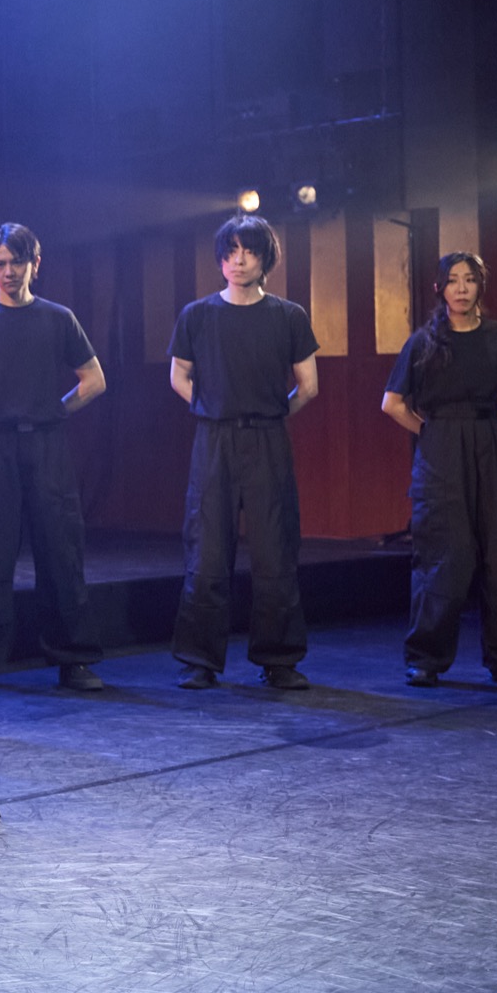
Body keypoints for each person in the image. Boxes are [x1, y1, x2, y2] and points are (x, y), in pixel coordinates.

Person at [169, 214, 319, 690]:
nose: (239, 260)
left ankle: (279, 659)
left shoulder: (288, 315)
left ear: (265, 259)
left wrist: (271, 414)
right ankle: (200, 659)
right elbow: (178, 376)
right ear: (220, 259)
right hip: (213, 440)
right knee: (207, 552)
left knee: (275, 551)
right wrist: (211, 408)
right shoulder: (197, 315)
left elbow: (308, 386)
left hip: (268, 439)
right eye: (231, 251)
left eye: (249, 251)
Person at [382, 253, 497, 687]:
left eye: (469, 280)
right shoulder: (424, 342)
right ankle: (426, 658)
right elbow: (392, 403)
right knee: (444, 556)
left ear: (479, 286)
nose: (461, 288)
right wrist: (430, 430)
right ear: (439, 288)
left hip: (492, 446)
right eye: (452, 280)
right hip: (442, 452)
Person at [0, 223, 107, 690]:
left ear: (35, 264)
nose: (9, 271)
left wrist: (56, 411)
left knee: (60, 553)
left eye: (18, 262)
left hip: (47, 445)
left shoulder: (57, 318)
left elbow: (94, 380)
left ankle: (74, 659)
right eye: (1, 263)